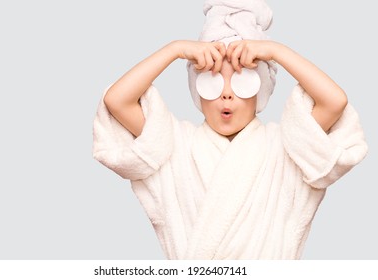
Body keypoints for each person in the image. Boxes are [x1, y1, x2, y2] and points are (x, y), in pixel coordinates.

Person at [93, 0, 367, 259]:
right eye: (212, 81)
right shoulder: (173, 145)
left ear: (261, 89)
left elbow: (334, 102)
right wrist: (175, 49)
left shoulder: (287, 148)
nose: (226, 95)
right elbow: (117, 100)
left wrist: (277, 52)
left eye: (241, 81)